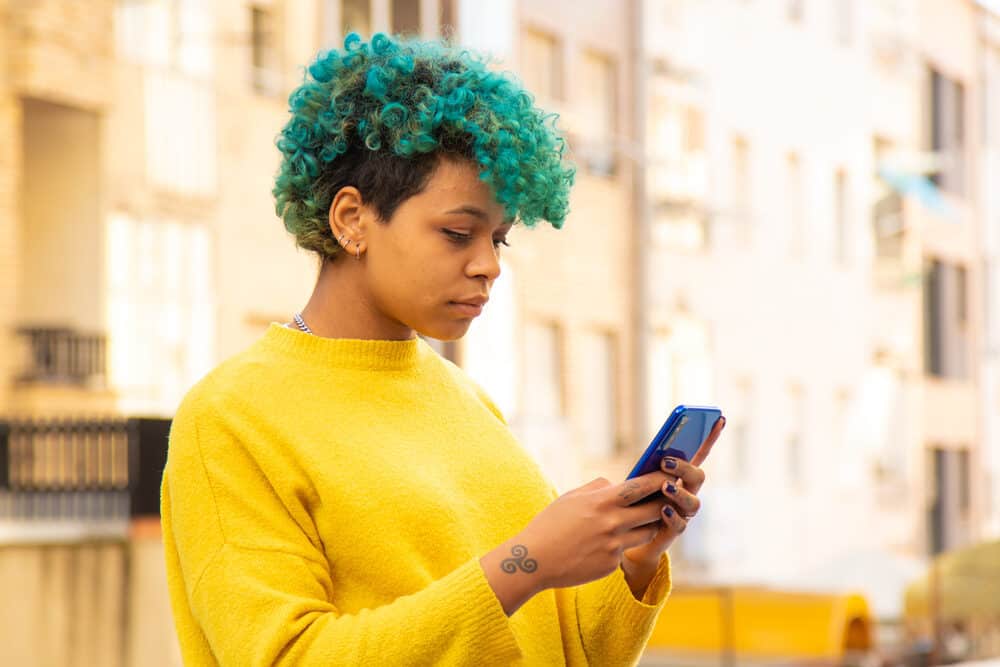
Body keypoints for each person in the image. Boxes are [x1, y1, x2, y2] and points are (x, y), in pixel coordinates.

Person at [160, 32, 724, 666]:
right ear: (351, 219)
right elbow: (288, 657)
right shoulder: (230, 418)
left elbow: (559, 650)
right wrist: (527, 562)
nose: (488, 265)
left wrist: (634, 554)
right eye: (458, 234)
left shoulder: (468, 401)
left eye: (499, 239)